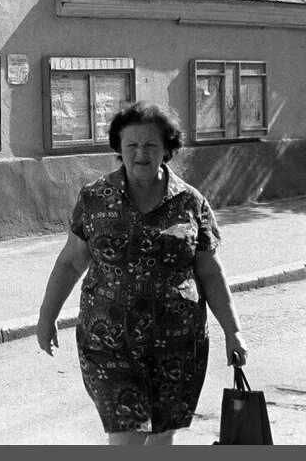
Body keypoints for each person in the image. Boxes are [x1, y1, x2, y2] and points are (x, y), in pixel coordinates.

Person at [36, 101, 247, 445]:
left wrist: (233, 332)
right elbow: (72, 261)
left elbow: (209, 272)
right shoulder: (95, 197)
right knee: (127, 440)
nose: (140, 154)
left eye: (150, 145)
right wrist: (47, 316)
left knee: (162, 441)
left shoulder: (191, 203)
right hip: (109, 343)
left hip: (178, 344)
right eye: (131, 145)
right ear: (119, 148)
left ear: (167, 149)